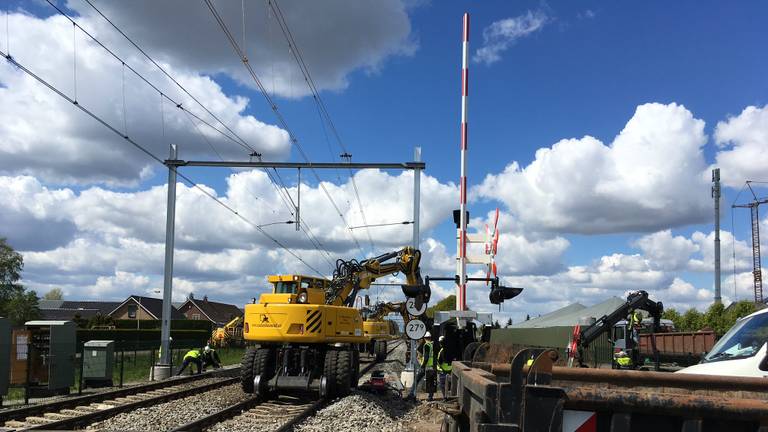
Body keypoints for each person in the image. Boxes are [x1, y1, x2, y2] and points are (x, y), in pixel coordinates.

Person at [408, 332, 434, 401]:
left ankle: (411, 393)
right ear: (430, 338)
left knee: (417, 379)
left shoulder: (427, 345)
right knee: (430, 382)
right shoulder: (432, 345)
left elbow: (426, 357)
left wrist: (422, 366)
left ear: (425, 338)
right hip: (432, 366)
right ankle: (430, 397)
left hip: (426, 366)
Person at [436, 335, 451, 401]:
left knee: (443, 385)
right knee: (450, 385)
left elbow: (440, 362)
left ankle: (445, 398)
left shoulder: (441, 351)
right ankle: (450, 397)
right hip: (451, 370)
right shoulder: (451, 349)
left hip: (443, 371)